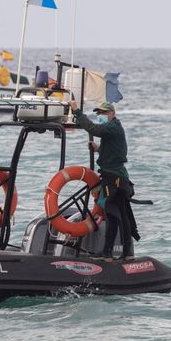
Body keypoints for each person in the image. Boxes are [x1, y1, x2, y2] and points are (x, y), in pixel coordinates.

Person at [68, 99, 137, 261]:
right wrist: (98, 149)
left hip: (114, 179)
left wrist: (76, 111)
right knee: (121, 214)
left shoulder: (112, 127)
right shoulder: (113, 129)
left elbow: (92, 128)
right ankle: (127, 252)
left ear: (112, 113)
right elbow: (114, 153)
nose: (100, 116)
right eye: (98, 113)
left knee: (113, 215)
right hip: (118, 177)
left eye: (104, 113)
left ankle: (107, 253)